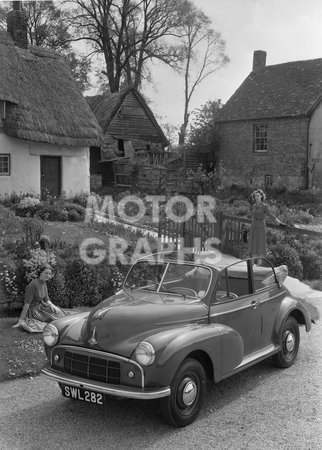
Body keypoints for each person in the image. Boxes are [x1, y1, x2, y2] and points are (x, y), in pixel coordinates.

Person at [12, 265, 68, 333]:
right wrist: (20, 322)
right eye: (46, 273)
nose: (48, 275)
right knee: (54, 321)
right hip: (33, 311)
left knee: (59, 313)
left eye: (49, 274)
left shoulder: (44, 283)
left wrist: (53, 306)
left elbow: (46, 299)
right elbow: (26, 305)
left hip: (41, 307)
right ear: (40, 273)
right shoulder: (33, 285)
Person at [248, 189, 284, 263]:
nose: (256, 197)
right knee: (253, 242)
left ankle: (259, 262)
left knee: (260, 243)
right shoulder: (254, 205)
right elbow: (252, 216)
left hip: (260, 226)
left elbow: (271, 215)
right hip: (253, 225)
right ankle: (252, 262)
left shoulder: (264, 206)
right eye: (255, 196)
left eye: (258, 196)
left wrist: (279, 223)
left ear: (261, 196)